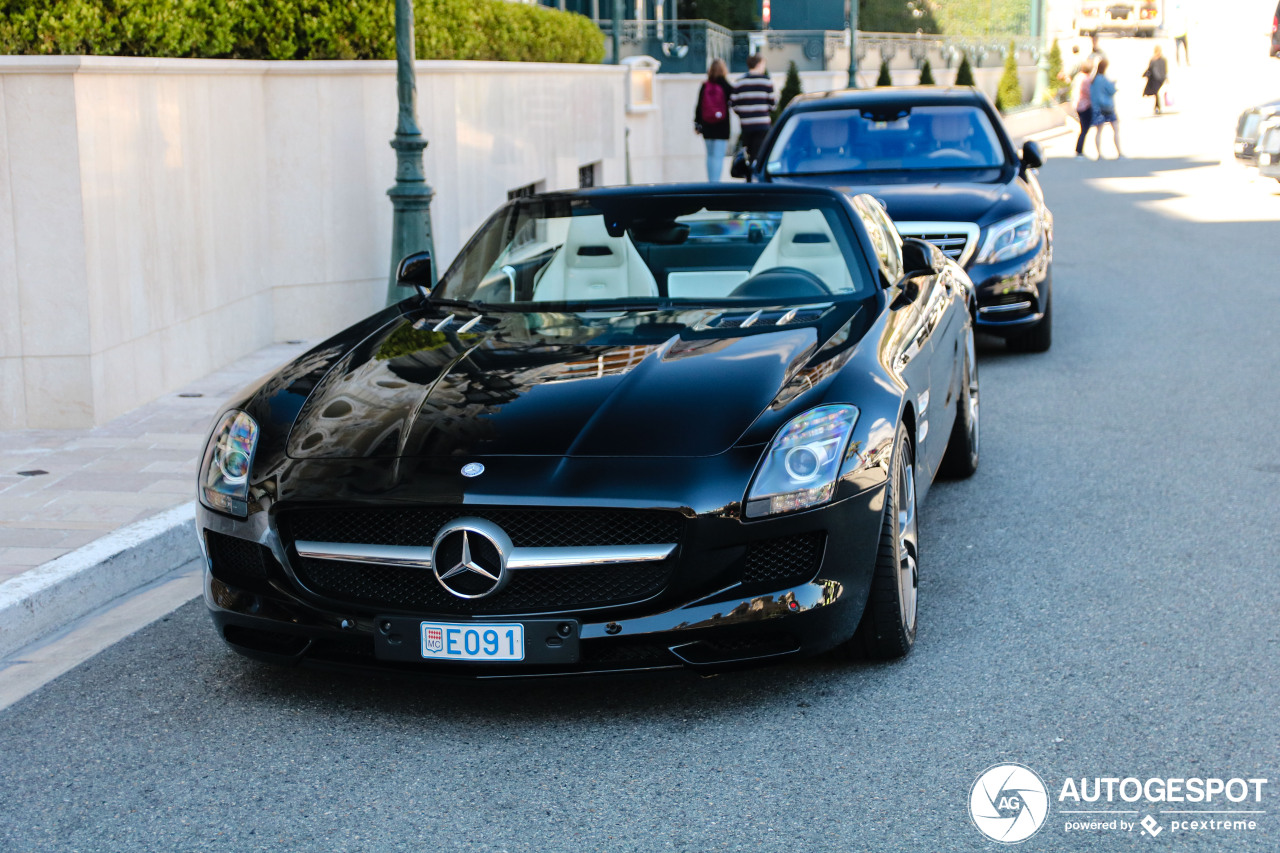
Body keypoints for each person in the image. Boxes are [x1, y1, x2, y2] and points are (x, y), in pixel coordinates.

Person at [731, 54, 777, 166]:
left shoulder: (740, 82)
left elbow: (734, 104)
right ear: (759, 64)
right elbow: (773, 105)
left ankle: (750, 178)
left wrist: (744, 114)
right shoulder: (766, 82)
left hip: (746, 125)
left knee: (749, 154)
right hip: (762, 124)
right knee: (760, 154)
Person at [693, 59, 734, 181]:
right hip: (722, 126)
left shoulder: (705, 85)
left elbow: (699, 106)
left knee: (710, 156)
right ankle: (716, 183)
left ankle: (711, 181)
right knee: (718, 156)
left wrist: (697, 124)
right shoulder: (726, 86)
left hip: (707, 126)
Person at [1090, 58, 1122, 159]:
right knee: (1116, 129)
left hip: (1097, 107)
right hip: (1107, 107)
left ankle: (1099, 154)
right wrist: (1113, 84)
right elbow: (1111, 90)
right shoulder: (1103, 79)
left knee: (1099, 131)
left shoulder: (1094, 79)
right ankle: (1119, 152)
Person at [1072, 59, 1095, 157]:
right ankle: (1079, 150)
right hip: (1085, 105)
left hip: (1077, 104)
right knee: (1084, 129)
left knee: (1083, 128)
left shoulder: (1079, 76)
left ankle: (1079, 149)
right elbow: (1089, 93)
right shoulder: (1086, 79)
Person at [1142, 46, 1168, 115]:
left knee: (1156, 93)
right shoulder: (1153, 60)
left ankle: (1157, 107)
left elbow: (1165, 69)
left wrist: (1166, 78)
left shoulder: (1163, 59)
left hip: (1161, 79)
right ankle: (1157, 107)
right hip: (1155, 79)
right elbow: (1149, 68)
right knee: (1156, 93)